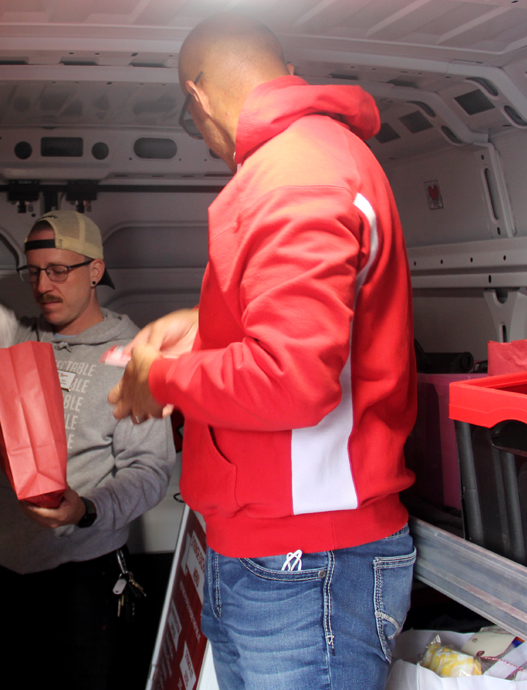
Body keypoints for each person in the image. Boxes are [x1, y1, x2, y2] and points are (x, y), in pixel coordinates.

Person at [108, 13, 417, 690]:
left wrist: (159, 378)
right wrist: (197, 327)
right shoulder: (300, 164)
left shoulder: (296, 174)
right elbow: (308, 324)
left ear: (197, 96)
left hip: (308, 559)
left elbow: (290, 380)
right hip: (278, 550)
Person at [0, 209, 176, 688]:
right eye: (33, 272)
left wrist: (87, 509)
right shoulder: (13, 337)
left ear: (95, 270)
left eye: (58, 271)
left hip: (84, 576)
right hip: (2, 566)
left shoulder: (135, 354)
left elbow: (150, 470)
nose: (43, 286)